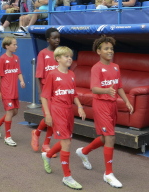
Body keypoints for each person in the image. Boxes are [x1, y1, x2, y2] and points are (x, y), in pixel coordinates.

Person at [76, 35, 134, 188]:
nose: (110, 51)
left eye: (111, 48)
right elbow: (94, 88)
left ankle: (84, 151)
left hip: (113, 105)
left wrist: (127, 101)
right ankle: (108, 174)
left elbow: (119, 86)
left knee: (104, 137)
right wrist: (106, 91)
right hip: (101, 105)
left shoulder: (115, 67)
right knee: (111, 138)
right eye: (106, 48)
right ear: (98, 51)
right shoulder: (96, 67)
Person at [41, 46, 85, 190]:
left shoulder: (72, 74)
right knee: (66, 142)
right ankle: (67, 177)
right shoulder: (52, 74)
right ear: (58, 59)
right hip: (57, 111)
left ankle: (47, 155)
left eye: (70, 56)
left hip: (69, 111)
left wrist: (79, 106)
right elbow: (44, 96)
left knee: (66, 140)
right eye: (66, 56)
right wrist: (48, 114)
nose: (69, 58)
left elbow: (74, 94)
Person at [31, 28, 60, 158]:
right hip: (46, 93)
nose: (57, 40)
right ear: (48, 39)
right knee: (50, 118)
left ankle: (43, 141)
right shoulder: (43, 54)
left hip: (58, 92)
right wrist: (39, 93)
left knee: (53, 120)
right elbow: (38, 75)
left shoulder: (60, 54)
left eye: (58, 38)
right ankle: (39, 136)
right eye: (54, 38)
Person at [0, 36, 25, 147]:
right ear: (7, 46)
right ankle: (8, 137)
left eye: (16, 44)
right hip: (6, 90)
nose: (16, 46)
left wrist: (21, 81)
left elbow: (18, 71)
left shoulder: (16, 58)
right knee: (10, 112)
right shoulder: (2, 59)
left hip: (14, 90)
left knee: (14, 112)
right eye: (14, 44)